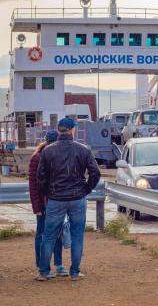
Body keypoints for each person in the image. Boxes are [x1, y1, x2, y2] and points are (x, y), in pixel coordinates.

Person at [36, 117, 101, 281]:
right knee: (77, 235)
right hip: (77, 197)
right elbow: (95, 173)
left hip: (56, 198)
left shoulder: (48, 151)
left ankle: (44, 272)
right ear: (73, 130)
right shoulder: (83, 149)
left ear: (59, 130)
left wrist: (49, 192)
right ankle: (74, 272)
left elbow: (40, 177)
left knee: (49, 235)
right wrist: (86, 189)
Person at [28, 130, 68, 278]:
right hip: (44, 203)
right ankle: (42, 266)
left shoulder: (57, 156)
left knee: (57, 233)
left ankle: (58, 265)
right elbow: (33, 185)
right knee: (42, 233)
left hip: (56, 201)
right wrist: (36, 206)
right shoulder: (37, 158)